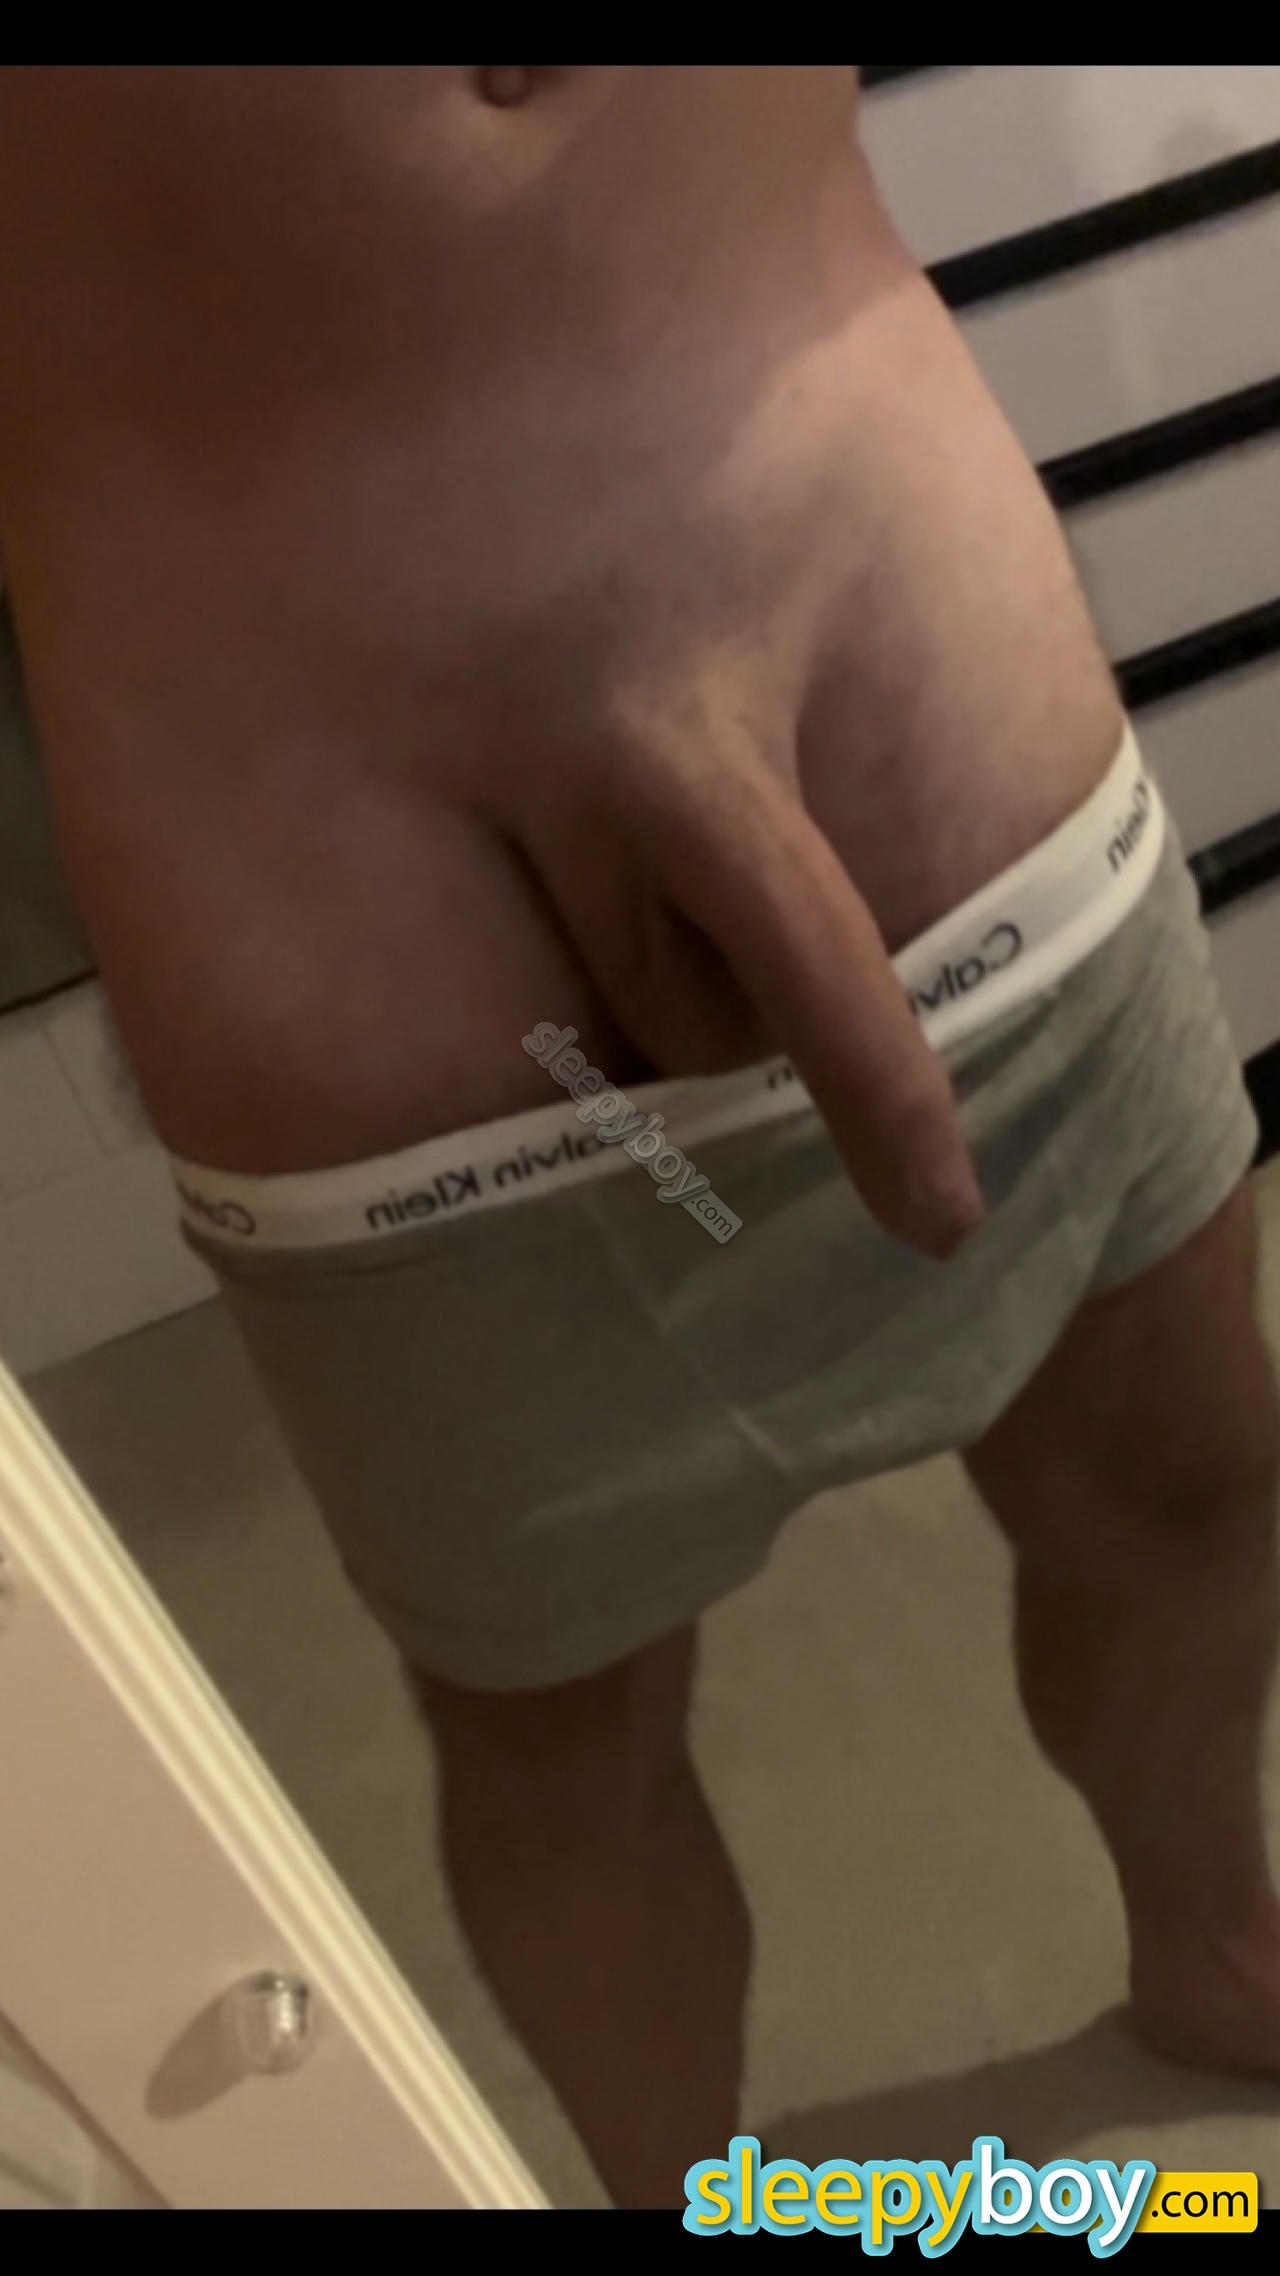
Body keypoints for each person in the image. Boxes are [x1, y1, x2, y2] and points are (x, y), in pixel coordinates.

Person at [0, 66, 1275, 2209]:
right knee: (555, 1719)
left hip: (878, 545)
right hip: (304, 782)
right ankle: (685, 2193)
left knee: (1193, 1470)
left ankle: (1217, 1932)